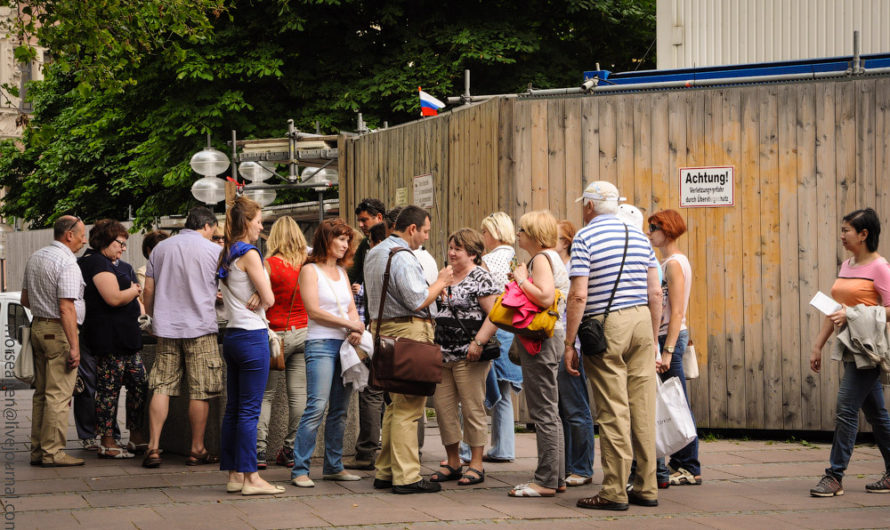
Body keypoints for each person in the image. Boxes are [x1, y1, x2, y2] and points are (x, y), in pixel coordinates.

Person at [564, 181, 662, 511]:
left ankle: (614, 491)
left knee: (613, 411)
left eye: (584, 205)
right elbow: (655, 292)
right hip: (641, 322)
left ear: (589, 207)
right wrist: (652, 334)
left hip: (606, 326)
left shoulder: (585, 237)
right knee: (643, 409)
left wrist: (569, 342)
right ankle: (647, 486)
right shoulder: (639, 237)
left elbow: (578, 294)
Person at [364, 205, 453, 494]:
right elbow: (417, 299)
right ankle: (407, 476)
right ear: (412, 228)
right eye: (425, 230)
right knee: (409, 406)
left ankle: (386, 471)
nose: (426, 237)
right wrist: (440, 282)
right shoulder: (402, 255)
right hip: (407, 332)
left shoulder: (375, 252)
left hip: (383, 331)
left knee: (395, 403)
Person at [809, 208, 890, 497]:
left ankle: (834, 476)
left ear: (864, 234)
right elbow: (835, 310)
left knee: (845, 409)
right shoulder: (847, 265)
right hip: (849, 349)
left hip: (868, 351)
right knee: (878, 416)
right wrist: (818, 344)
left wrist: (854, 314)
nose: (842, 235)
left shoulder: (880, 268)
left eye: (847, 230)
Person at [142, 206, 223, 468]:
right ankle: (196, 448)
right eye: (214, 231)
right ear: (207, 226)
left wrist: (154, 318)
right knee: (200, 390)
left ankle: (153, 447)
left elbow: (148, 290)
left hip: (166, 328)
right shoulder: (214, 251)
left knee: (162, 386)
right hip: (201, 327)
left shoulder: (161, 249)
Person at [217, 196, 285, 495]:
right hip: (252, 335)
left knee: (234, 409)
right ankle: (251, 478)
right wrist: (262, 292)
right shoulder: (251, 253)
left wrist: (260, 291)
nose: (261, 225)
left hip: (232, 335)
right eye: (258, 220)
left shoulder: (227, 252)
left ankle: (234, 474)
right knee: (249, 411)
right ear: (247, 222)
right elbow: (269, 299)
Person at [291, 218, 364, 488]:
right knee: (316, 407)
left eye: (348, 240)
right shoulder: (310, 270)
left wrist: (357, 328)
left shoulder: (343, 273)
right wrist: (350, 324)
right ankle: (300, 468)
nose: (345, 245)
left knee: (340, 410)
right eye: (341, 239)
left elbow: (351, 309)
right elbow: (314, 311)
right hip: (320, 344)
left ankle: (334, 466)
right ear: (326, 239)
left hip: (344, 346)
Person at [506, 210, 569, 498]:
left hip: (541, 339)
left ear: (533, 235)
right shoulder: (552, 258)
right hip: (553, 337)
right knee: (550, 410)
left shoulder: (541, 259)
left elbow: (544, 296)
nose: (517, 234)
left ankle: (544, 480)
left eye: (521, 229)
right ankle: (556, 478)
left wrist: (520, 279)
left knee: (543, 410)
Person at [431, 228, 500, 486]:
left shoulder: (482, 277)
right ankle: (452, 462)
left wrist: (478, 342)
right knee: (443, 408)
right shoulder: (445, 275)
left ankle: (477, 463)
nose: (451, 253)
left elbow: (494, 316)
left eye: (457, 249)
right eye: (450, 247)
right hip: (442, 354)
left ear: (472, 253)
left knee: (472, 407)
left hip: (469, 354)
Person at [79, 219, 147, 459]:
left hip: (128, 337)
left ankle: (136, 435)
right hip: (109, 339)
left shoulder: (119, 265)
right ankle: (107, 441)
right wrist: (134, 290)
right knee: (108, 390)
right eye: (120, 243)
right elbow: (114, 298)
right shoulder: (96, 262)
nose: (123, 248)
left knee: (139, 383)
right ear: (106, 241)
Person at [21, 215, 87, 467]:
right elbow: (66, 306)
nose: (84, 240)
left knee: (41, 394)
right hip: (59, 331)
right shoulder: (67, 262)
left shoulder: (36, 256)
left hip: (38, 326)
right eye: (82, 234)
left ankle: (38, 450)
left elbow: (25, 299)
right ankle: (53, 452)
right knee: (59, 395)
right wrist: (75, 347)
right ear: (69, 235)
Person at [647, 209, 701, 487]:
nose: (649, 231)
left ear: (666, 230)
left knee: (675, 400)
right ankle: (683, 463)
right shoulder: (667, 261)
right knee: (673, 398)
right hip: (669, 335)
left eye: (653, 227)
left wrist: (667, 350)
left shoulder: (674, 264)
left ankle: (689, 465)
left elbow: (677, 310)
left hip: (671, 335)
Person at [255, 216, 309, 470]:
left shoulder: (268, 265)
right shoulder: (307, 265)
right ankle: (290, 449)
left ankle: (259, 452)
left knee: (265, 395)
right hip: (304, 332)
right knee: (298, 395)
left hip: (276, 337)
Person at [476, 211, 522, 463]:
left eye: (484, 232)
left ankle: (467, 448)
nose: (483, 237)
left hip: (492, 326)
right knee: (503, 393)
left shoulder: (488, 261)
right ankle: (504, 447)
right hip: (512, 328)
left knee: (475, 392)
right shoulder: (515, 260)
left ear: (494, 233)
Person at [344, 199, 386, 471]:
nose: (361, 225)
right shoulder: (366, 246)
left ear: (379, 217)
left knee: (374, 391)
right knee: (394, 392)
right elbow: (354, 278)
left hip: (376, 326)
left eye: (365, 220)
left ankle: (367, 452)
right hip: (374, 325)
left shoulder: (377, 248)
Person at [555, 219, 596, 487]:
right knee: (562, 408)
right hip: (557, 342)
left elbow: (576, 306)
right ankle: (570, 464)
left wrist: (573, 345)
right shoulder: (553, 266)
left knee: (576, 407)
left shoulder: (573, 268)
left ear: (566, 242)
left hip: (572, 344)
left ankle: (581, 467)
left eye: (554, 237)